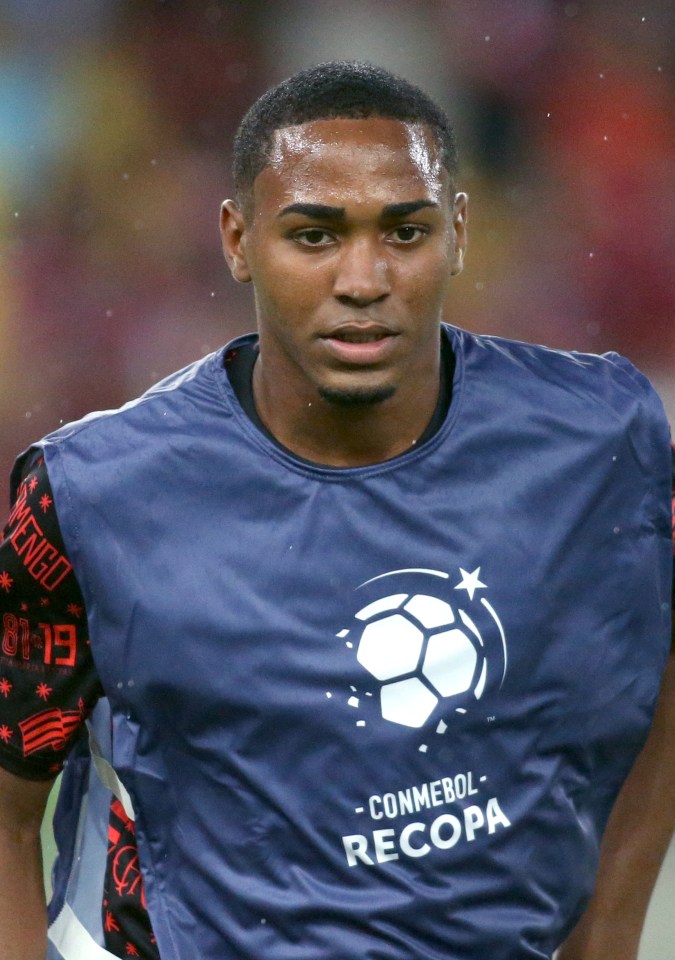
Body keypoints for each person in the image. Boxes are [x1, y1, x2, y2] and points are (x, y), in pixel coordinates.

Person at [0, 61, 672, 960]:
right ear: (238, 240)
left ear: (459, 232)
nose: (363, 278)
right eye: (314, 236)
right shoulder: (91, 494)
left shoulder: (602, 442)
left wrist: (612, 931)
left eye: (404, 231)